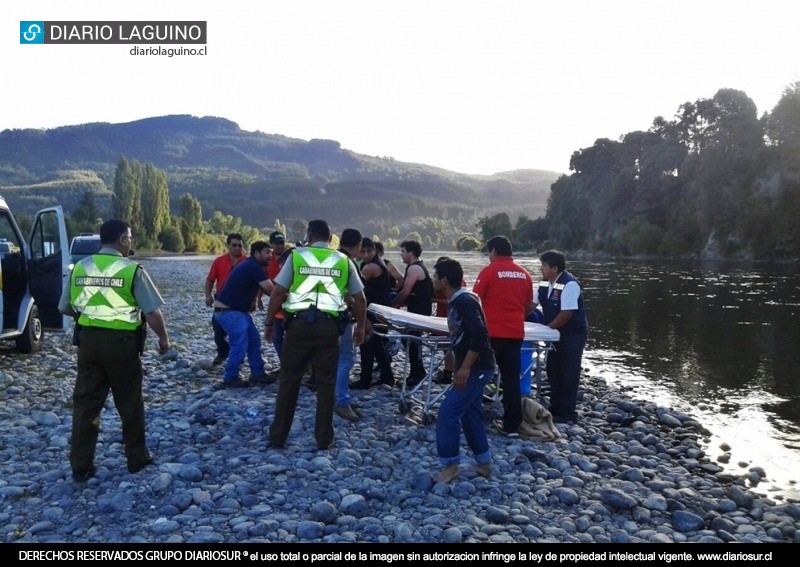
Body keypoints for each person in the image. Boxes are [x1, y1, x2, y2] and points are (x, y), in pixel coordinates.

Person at [59, 219, 170, 482]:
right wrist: (164, 339)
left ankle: (81, 465)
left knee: (86, 404)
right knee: (129, 403)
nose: (131, 243)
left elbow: (64, 307)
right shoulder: (131, 270)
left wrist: (87, 318)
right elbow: (152, 312)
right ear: (121, 239)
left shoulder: (80, 268)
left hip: (88, 343)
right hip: (121, 345)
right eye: (130, 238)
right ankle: (136, 459)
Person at [265, 220, 366, 450]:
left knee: (290, 380)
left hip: (298, 326)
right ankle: (324, 439)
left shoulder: (296, 256)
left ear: (309, 235)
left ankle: (278, 436)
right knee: (326, 383)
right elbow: (360, 298)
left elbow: (279, 291)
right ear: (331, 239)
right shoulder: (343, 261)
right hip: (329, 328)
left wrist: (269, 322)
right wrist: (360, 327)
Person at [432, 258, 495, 483]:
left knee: (448, 414)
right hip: (475, 366)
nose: (433, 280)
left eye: (435, 276)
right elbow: (462, 337)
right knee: (471, 414)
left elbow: (479, 334)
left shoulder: (464, 301)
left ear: (445, 280)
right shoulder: (459, 299)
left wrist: (465, 368)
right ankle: (484, 464)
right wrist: (459, 364)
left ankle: (450, 466)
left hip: (478, 367)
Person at [473, 235, 534, 437]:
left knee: (478, 375)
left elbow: (475, 301)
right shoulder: (525, 274)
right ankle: (511, 426)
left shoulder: (489, 271)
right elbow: (528, 304)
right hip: (515, 334)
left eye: (489, 253)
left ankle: (472, 419)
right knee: (511, 380)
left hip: (492, 333)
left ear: (493, 251)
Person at [533, 250, 589, 423]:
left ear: (555, 268)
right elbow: (531, 304)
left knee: (569, 371)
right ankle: (555, 407)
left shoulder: (570, 284)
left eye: (544, 265)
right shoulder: (544, 283)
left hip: (572, 334)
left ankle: (567, 412)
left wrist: (547, 329)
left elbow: (566, 314)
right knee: (553, 369)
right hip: (555, 334)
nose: (541, 268)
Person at [213, 241, 275, 388]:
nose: (270, 256)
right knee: (239, 345)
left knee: (254, 340)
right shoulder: (253, 266)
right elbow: (271, 290)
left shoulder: (250, 264)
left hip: (235, 311)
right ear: (257, 253)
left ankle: (257, 374)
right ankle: (230, 377)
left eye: (271, 253)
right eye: (267, 252)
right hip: (229, 312)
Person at [351, 237, 395, 390]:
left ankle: (365, 379)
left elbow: (356, 287)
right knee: (376, 345)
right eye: (362, 251)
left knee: (367, 344)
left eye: (368, 251)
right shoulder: (379, 263)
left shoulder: (370, 267)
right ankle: (387, 377)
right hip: (381, 308)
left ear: (374, 251)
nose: (365, 254)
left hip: (375, 310)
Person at [392, 240, 434, 385]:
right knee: (410, 340)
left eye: (403, 252)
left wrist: (394, 304)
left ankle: (418, 373)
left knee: (412, 340)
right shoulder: (414, 266)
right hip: (417, 308)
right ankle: (416, 371)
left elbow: (405, 291)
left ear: (411, 253)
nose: (401, 255)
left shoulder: (414, 269)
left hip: (419, 310)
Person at [332, 228, 363, 422]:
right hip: (342, 318)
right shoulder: (348, 263)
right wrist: (361, 324)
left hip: (321, 318)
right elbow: (358, 297)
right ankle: (341, 401)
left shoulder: (330, 258)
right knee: (345, 359)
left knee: (331, 360)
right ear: (358, 245)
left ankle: (333, 396)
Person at [204, 233, 245, 366]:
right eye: (234, 245)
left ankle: (238, 356)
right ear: (228, 246)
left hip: (239, 302)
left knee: (238, 331)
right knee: (218, 330)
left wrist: (255, 300)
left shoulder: (247, 262)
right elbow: (210, 279)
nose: (237, 248)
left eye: (240, 245)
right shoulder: (219, 261)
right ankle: (223, 352)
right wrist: (208, 295)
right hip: (220, 300)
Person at [265, 231, 289, 370]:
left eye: (282, 243)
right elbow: (263, 279)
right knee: (277, 334)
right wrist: (257, 299)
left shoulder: (291, 257)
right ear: (272, 244)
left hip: (290, 302)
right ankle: (285, 363)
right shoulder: (268, 260)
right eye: (277, 243)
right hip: (276, 301)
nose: (280, 246)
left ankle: (304, 365)